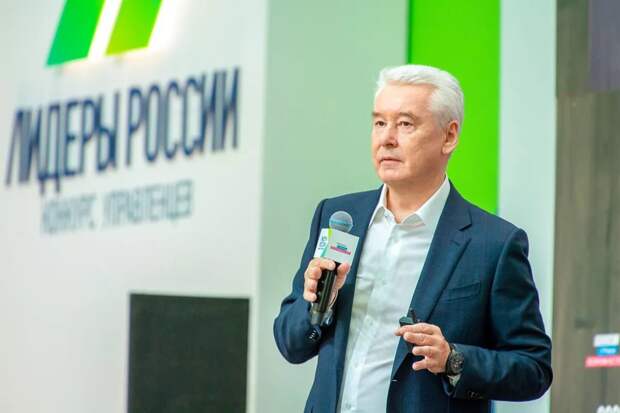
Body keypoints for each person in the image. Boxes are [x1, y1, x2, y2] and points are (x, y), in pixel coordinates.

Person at [273, 64, 552, 413]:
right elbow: (290, 343)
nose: (387, 138)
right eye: (379, 123)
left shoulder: (493, 244)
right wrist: (318, 305)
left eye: (405, 124)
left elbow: (533, 368)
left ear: (449, 136)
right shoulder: (339, 218)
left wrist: (453, 359)